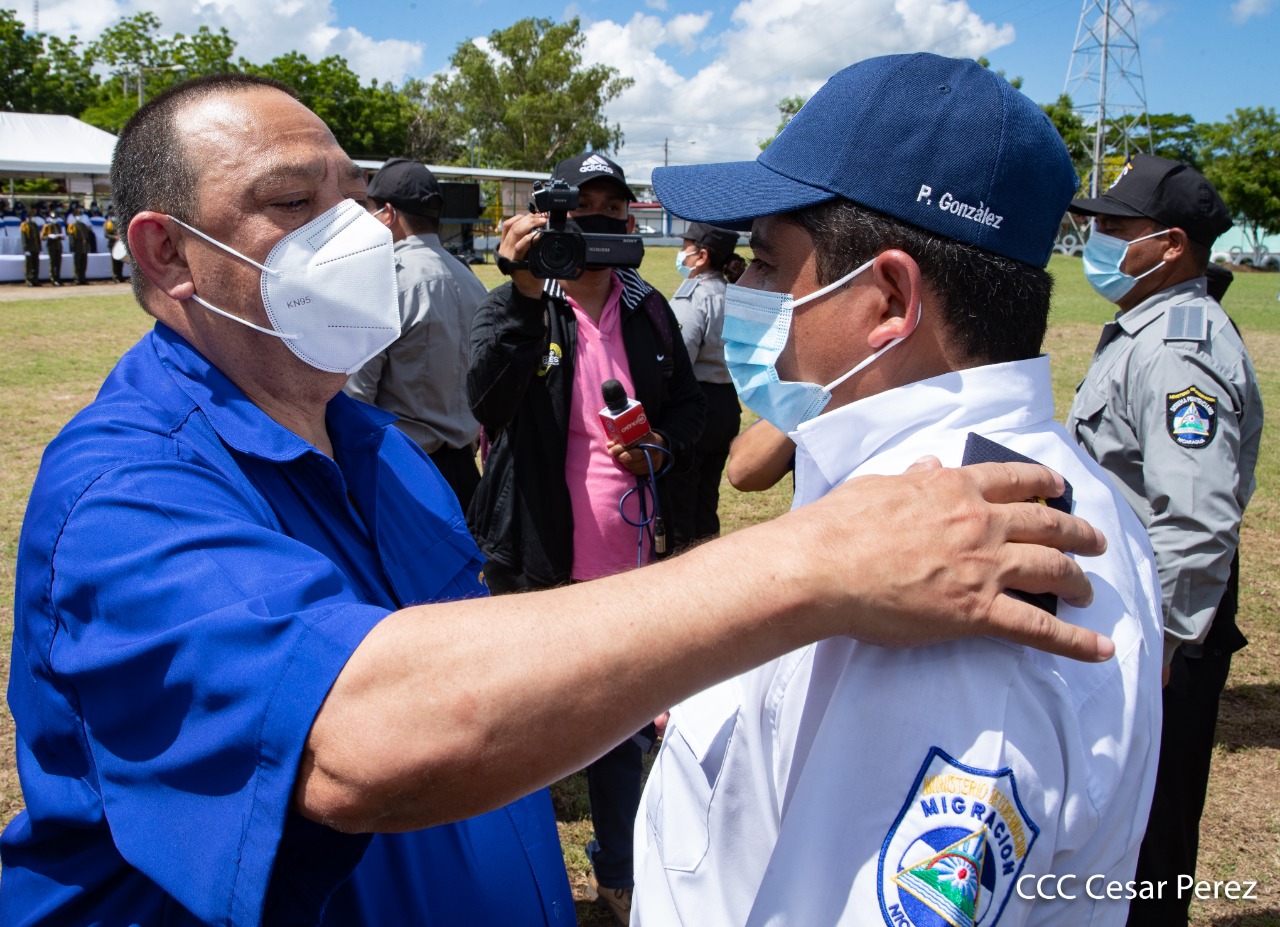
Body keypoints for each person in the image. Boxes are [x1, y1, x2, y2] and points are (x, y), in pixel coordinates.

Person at [3, 73, 1116, 927]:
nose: (353, 232)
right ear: (169, 254)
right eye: (293, 203)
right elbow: (352, 737)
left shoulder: (373, 448)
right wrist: (813, 564)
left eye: (352, 196)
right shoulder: (125, 492)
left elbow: (489, 663)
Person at [634, 52, 1165, 926]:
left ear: (886, 298)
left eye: (766, 263)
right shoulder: (921, 507)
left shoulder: (958, 572)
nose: (745, 290)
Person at [468, 152, 706, 924]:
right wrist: (524, 291)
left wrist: (660, 446)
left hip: (631, 556)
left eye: (612, 208)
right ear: (549, 220)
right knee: (529, 725)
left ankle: (619, 874)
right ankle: (524, 878)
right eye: (579, 209)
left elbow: (693, 410)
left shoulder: (648, 307)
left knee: (620, 726)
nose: (596, 222)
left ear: (629, 219)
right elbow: (486, 400)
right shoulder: (521, 304)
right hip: (536, 553)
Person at [1065, 153, 1264, 927]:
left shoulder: (1180, 349)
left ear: (1171, 244)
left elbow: (1197, 519)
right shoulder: (1146, 328)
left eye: (1117, 228)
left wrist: (1165, 646)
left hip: (1165, 623)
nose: (1098, 241)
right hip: (1136, 605)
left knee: (1149, 842)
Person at [343, 157, 491, 511]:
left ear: (388, 214)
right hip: (466, 473)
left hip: (403, 476)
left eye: (369, 209)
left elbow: (356, 399)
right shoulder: (471, 280)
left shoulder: (384, 279)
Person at [668, 222, 742, 547]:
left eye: (685, 246)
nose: (681, 254)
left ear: (702, 256)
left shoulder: (695, 295)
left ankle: (683, 564)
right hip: (727, 403)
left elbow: (678, 359)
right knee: (706, 499)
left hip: (696, 404)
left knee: (680, 500)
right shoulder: (735, 293)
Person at [68, 207, 94, 284]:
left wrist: (88, 246)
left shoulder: (84, 225)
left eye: (80, 215)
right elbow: (71, 237)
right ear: (74, 216)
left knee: (83, 263)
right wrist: (72, 247)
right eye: (77, 215)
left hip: (84, 247)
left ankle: (83, 278)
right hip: (77, 246)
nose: (79, 216)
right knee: (77, 264)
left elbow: (87, 237)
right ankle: (77, 278)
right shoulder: (72, 226)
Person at [39, 211, 64, 286]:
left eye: (55, 218)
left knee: (58, 263)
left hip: (58, 246)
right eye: (53, 218)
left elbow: (60, 234)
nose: (54, 219)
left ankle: (58, 277)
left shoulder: (58, 226)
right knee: (52, 263)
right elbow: (42, 237)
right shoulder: (47, 226)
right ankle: (53, 279)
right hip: (51, 246)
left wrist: (60, 236)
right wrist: (49, 236)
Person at [19, 209, 41, 287]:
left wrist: (39, 247)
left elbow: (38, 237)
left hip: (35, 247)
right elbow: (24, 238)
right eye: (29, 216)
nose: (30, 217)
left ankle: (35, 279)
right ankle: (29, 279)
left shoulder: (35, 225)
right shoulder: (24, 225)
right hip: (29, 248)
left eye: (31, 216)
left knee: (36, 264)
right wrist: (25, 249)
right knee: (29, 264)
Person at [104, 210, 126, 282]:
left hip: (120, 244)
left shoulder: (119, 223)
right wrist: (114, 237)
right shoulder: (108, 224)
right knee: (114, 261)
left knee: (120, 260)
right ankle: (115, 276)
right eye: (113, 215)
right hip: (112, 244)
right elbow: (106, 235)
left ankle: (120, 276)